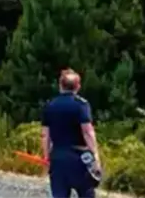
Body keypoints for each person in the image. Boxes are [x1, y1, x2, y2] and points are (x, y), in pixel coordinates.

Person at [41, 69, 102, 198]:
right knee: (86, 193)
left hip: (58, 157)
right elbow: (87, 132)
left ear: (60, 85)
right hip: (78, 157)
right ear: (78, 86)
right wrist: (95, 156)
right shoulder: (81, 105)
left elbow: (45, 135)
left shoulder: (50, 105)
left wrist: (46, 157)